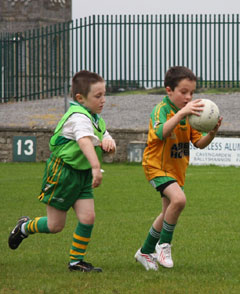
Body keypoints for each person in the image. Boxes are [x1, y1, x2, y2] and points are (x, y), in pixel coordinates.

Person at [8, 70, 116, 272]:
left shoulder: (95, 119)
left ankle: (76, 262)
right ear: (80, 98)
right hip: (62, 173)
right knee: (55, 225)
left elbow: (102, 135)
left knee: (88, 218)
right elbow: (84, 141)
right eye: (98, 96)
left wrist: (110, 142)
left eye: (104, 94)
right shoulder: (78, 117)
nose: (103, 100)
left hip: (81, 175)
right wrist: (95, 167)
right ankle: (24, 226)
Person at [135, 66, 222, 271]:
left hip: (176, 171)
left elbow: (198, 143)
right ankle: (163, 246)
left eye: (191, 93)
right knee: (179, 200)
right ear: (169, 91)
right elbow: (162, 132)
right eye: (183, 92)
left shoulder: (191, 116)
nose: (188, 97)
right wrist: (181, 113)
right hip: (156, 166)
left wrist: (213, 132)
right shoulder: (162, 110)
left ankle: (145, 251)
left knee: (167, 212)